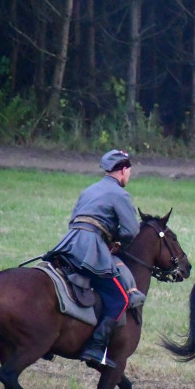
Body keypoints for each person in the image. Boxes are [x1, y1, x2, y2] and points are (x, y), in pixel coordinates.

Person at [47, 149, 140, 368]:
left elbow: (73, 220)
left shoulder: (88, 190)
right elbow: (131, 230)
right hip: (91, 249)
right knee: (120, 298)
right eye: (129, 171)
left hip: (69, 243)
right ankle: (96, 347)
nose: (129, 176)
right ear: (124, 170)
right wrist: (117, 243)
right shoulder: (121, 194)